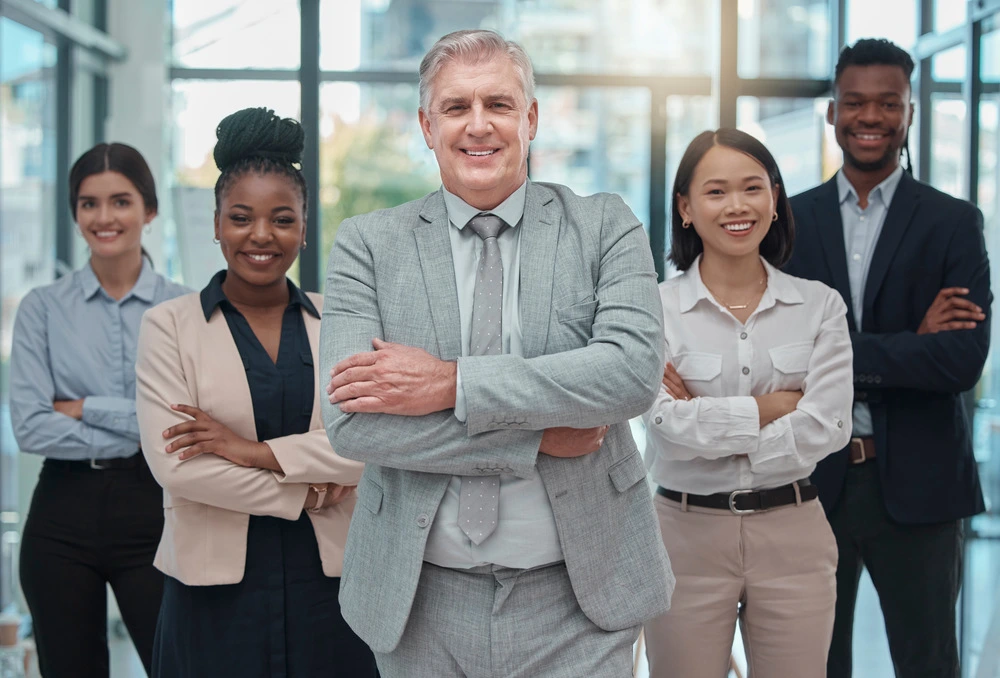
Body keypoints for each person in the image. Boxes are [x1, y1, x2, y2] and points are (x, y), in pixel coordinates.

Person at [320, 29, 672, 678]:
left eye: (499, 105)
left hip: (580, 600)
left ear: (531, 119)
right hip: (418, 602)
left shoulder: (603, 225)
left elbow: (630, 374)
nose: (478, 126)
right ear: (427, 126)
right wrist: (533, 441)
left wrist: (450, 384)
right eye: (455, 108)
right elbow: (353, 422)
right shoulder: (368, 245)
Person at [134, 108, 377, 677]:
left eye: (282, 219)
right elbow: (180, 468)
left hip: (334, 593)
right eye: (241, 218)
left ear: (305, 225)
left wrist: (248, 451)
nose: (261, 236)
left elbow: (368, 444)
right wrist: (305, 493)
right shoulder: (169, 326)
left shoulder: (341, 321)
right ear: (216, 224)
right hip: (212, 600)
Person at [785, 38, 991, 678]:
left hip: (923, 487)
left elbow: (960, 361)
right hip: (812, 487)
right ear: (833, 112)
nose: (869, 116)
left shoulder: (954, 222)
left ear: (908, 112)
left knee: (929, 663)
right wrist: (910, 342)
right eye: (854, 102)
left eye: (886, 103)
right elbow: (778, 360)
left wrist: (834, 357)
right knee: (813, 664)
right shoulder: (788, 222)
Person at [642, 128, 852, 677]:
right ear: (685, 207)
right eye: (715, 192)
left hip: (793, 534)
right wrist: (773, 407)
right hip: (682, 537)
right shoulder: (653, 310)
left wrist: (708, 426)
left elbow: (827, 426)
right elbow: (664, 425)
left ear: (775, 198)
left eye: (752, 188)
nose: (737, 206)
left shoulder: (819, 307)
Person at [10, 143, 189, 677]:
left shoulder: (185, 310)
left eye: (120, 201)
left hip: (155, 510)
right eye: (89, 204)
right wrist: (139, 423)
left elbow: (187, 424)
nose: (104, 217)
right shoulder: (41, 309)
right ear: (75, 212)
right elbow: (29, 425)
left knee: (177, 664)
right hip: (61, 515)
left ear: (149, 210)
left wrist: (83, 407)